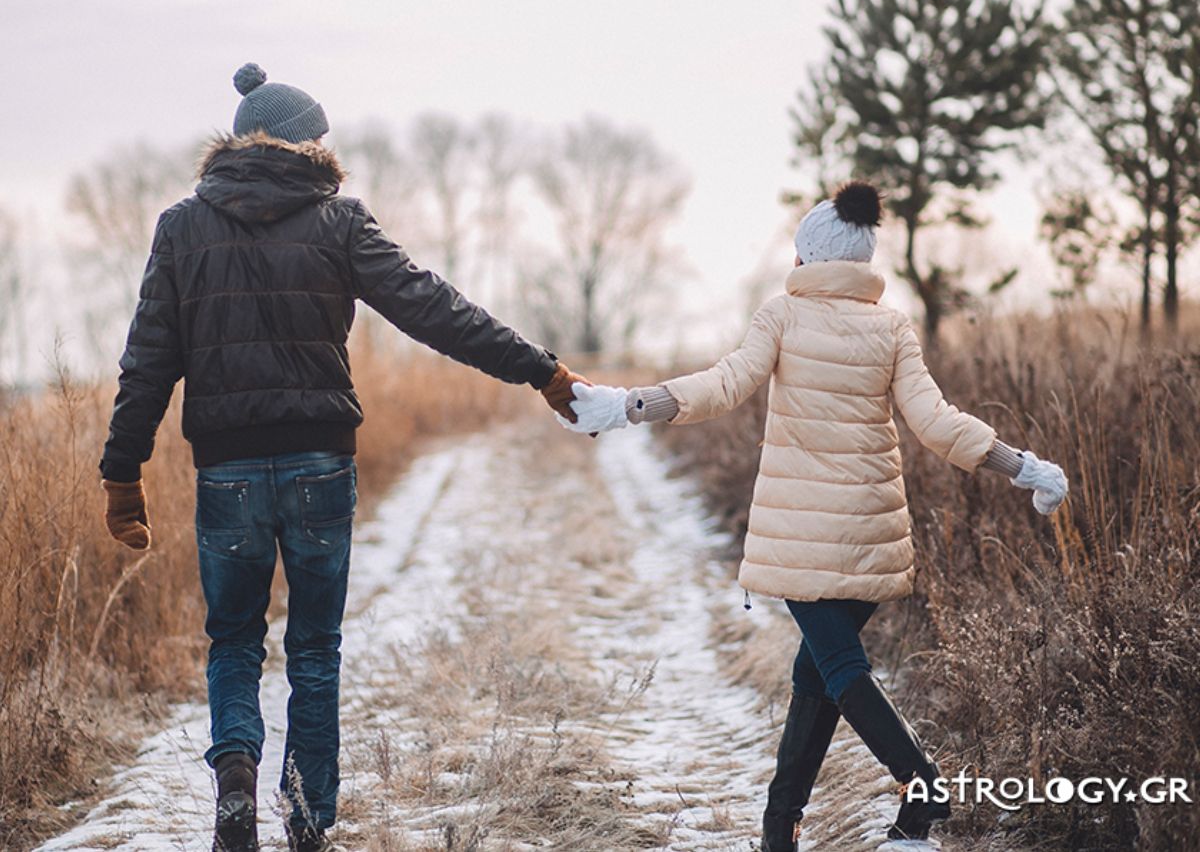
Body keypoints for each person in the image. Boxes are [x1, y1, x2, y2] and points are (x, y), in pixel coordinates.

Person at [98, 63, 587, 852]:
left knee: (233, 641)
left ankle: (234, 780)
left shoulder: (182, 227)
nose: (328, 148)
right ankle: (307, 823)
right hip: (320, 465)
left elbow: (147, 359)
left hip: (226, 471)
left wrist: (122, 472)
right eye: (319, 136)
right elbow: (436, 309)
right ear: (298, 143)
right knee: (314, 648)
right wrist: (540, 369)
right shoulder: (337, 222)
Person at [560, 181, 1068, 849]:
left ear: (807, 259)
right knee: (817, 676)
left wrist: (627, 406)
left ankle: (924, 789)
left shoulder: (782, 315)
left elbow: (724, 385)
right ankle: (780, 829)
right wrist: (1021, 465)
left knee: (838, 670)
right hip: (872, 533)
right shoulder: (890, 326)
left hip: (803, 540)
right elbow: (936, 423)